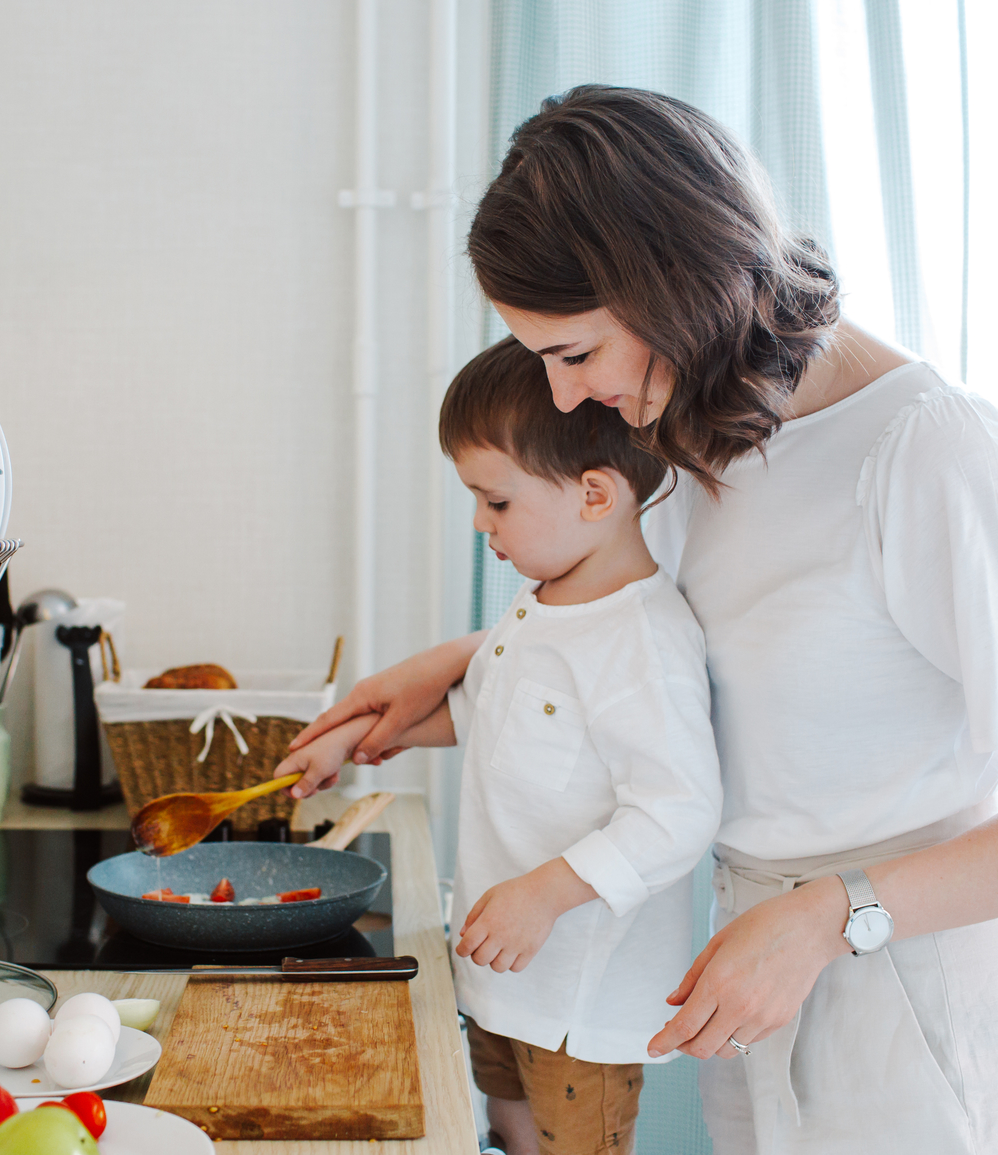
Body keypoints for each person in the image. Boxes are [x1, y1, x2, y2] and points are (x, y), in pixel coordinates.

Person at [291, 86, 998, 1154]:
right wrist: (450, 677)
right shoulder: (693, 433)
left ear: (673, 285)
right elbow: (696, 668)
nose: (563, 401)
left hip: (910, 1012)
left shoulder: (934, 453)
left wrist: (825, 917)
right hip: (755, 978)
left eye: (574, 355)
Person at [276, 336, 722, 1155]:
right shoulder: (540, 603)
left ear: (595, 495)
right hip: (498, 976)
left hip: (574, 1007)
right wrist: (359, 738)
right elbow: (486, 713)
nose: (481, 522)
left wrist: (545, 894)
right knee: (506, 1129)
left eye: (497, 501)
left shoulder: (640, 643)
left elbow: (679, 812)